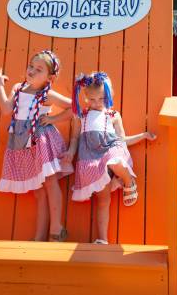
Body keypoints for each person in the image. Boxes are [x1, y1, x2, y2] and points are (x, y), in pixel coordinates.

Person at [61, 72, 156, 244]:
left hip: (111, 150)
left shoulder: (113, 115)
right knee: (103, 200)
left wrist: (143, 136)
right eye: (92, 99)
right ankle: (102, 239)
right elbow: (75, 138)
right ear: (85, 97)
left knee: (115, 159)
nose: (97, 103)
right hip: (91, 158)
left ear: (109, 95)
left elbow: (122, 139)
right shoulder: (80, 116)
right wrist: (70, 152)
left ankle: (128, 181)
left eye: (101, 99)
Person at [0, 50, 73, 242]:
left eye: (38, 69)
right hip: (21, 142)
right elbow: (6, 109)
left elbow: (74, 108)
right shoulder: (18, 89)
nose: (31, 71)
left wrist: (53, 118)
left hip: (40, 139)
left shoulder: (46, 94)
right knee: (38, 191)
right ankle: (39, 236)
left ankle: (57, 229)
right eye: (31, 66)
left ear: (50, 78)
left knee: (49, 182)